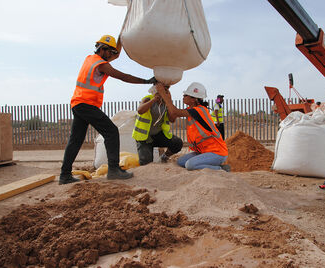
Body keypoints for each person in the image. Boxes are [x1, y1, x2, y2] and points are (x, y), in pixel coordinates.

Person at [59, 35, 156, 185]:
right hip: (87, 104)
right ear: (103, 50)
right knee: (111, 132)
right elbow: (124, 77)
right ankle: (113, 170)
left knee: (75, 141)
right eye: (110, 53)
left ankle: (64, 176)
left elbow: (115, 54)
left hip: (78, 104)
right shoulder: (101, 64)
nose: (112, 56)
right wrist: (146, 81)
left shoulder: (89, 59)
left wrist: (121, 37)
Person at [155, 82, 230, 171]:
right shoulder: (191, 110)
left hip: (217, 152)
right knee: (180, 162)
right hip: (204, 151)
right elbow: (174, 113)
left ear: (193, 99)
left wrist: (163, 94)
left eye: (186, 95)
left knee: (190, 165)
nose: (183, 96)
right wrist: (168, 98)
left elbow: (175, 112)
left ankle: (220, 169)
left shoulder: (199, 110)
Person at [132, 85, 183, 165]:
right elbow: (140, 110)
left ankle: (164, 157)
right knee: (146, 163)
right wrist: (153, 100)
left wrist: (169, 101)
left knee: (177, 143)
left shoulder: (167, 104)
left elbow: (172, 119)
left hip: (158, 135)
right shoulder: (148, 99)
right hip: (144, 137)